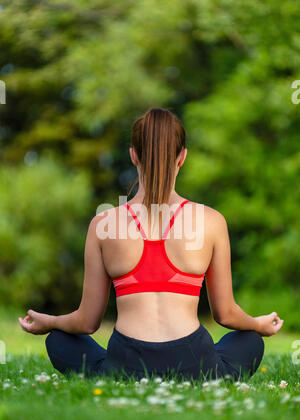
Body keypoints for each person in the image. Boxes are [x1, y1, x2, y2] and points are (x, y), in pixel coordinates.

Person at [18, 107, 283, 382]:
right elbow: (226, 314)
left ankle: (107, 376)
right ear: (182, 157)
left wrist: (49, 322)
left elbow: (87, 322)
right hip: (194, 364)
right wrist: (258, 324)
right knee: (249, 341)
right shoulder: (211, 221)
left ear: (133, 155)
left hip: (125, 364)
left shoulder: (104, 223)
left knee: (59, 340)